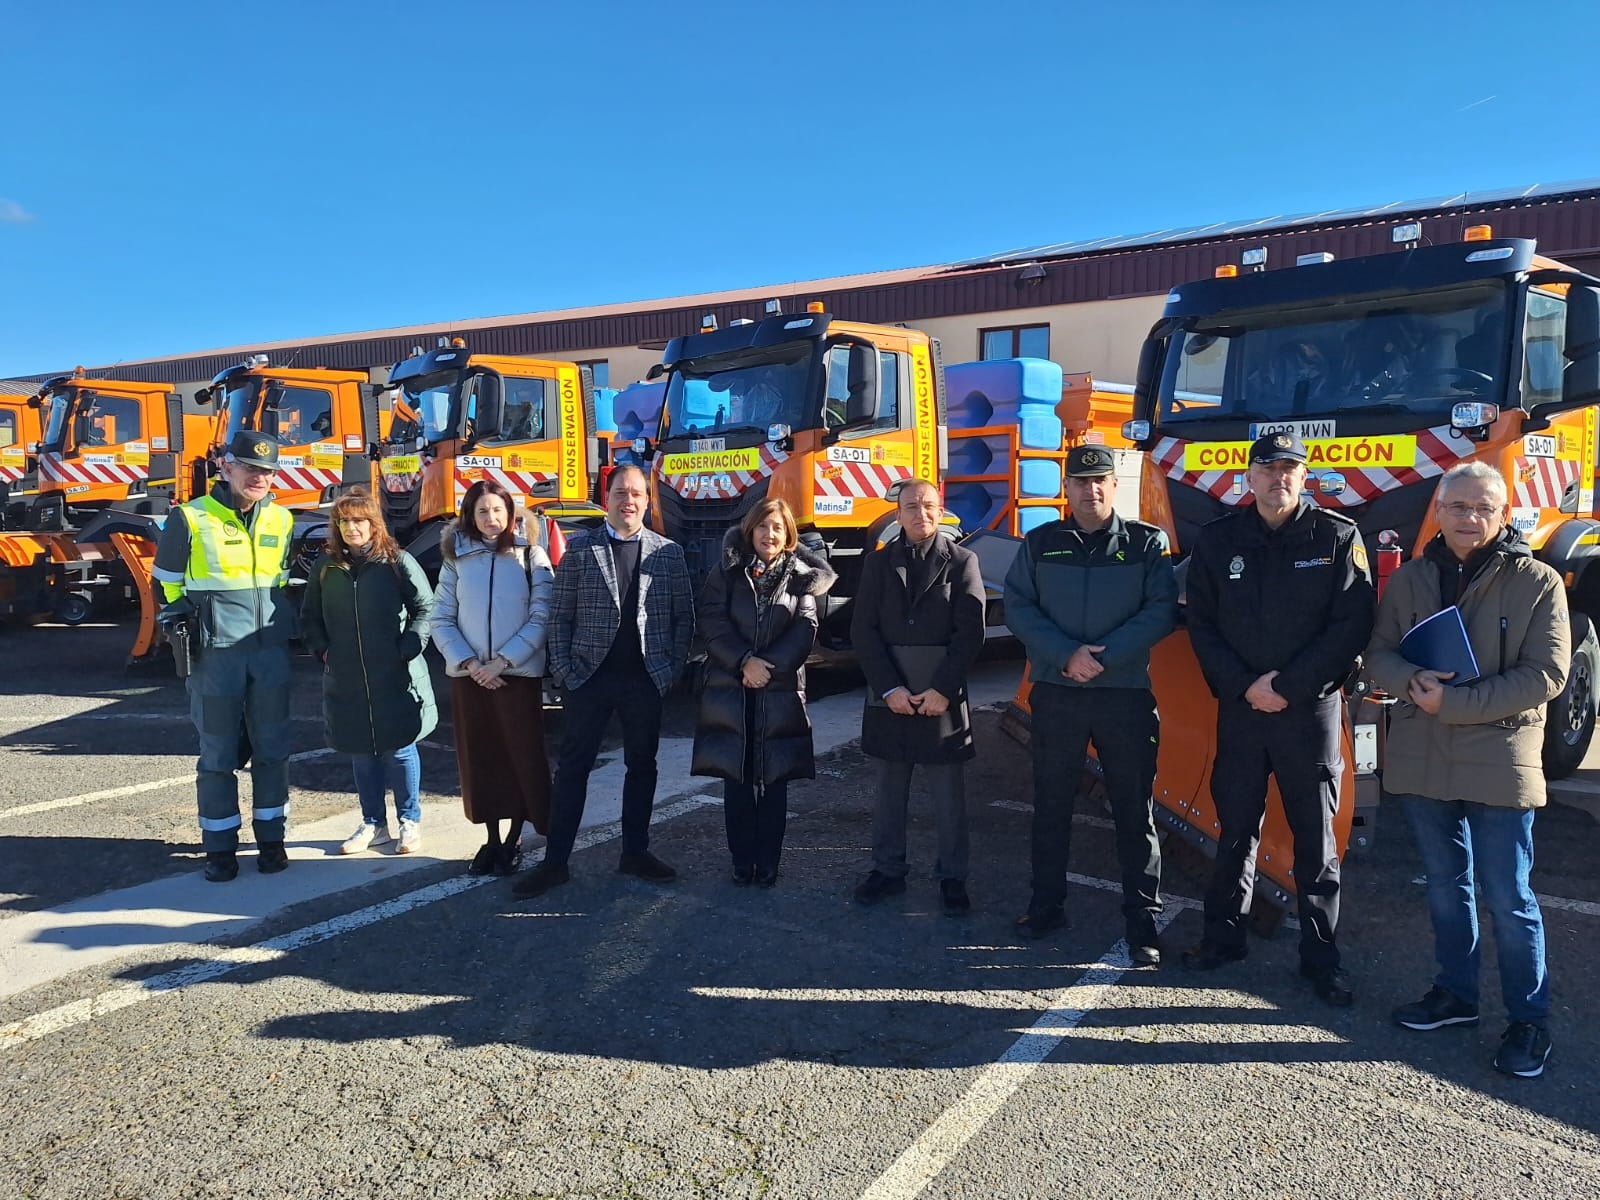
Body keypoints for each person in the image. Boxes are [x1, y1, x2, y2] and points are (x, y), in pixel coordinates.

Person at [1365, 461, 1569, 1078]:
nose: (1469, 519)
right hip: (1425, 756)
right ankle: (1456, 996)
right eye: (1458, 506)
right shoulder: (1412, 581)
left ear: (1503, 515)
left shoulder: (1538, 581)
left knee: (1509, 897)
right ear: (1440, 510)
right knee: (1447, 891)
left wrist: (1451, 703)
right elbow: (1377, 654)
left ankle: (1529, 1021)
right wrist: (1409, 678)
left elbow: (1546, 675)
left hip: (1498, 760)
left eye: (1483, 508)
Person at [1182, 431, 1375, 1005]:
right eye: (1268, 468)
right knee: (1235, 829)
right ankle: (1224, 938)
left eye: (1290, 468)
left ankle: (1322, 960)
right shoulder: (1219, 540)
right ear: (1249, 477)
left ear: (1304, 475)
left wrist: (1287, 687)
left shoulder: (1337, 537)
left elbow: (1351, 625)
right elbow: (1203, 626)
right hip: (1242, 711)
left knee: (1316, 842)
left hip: (1307, 713)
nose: (1279, 478)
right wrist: (1246, 686)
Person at [1004, 446, 1178, 956]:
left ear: (1113, 485)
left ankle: (1143, 919)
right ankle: (1046, 907)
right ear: (1068, 487)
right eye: (1080, 481)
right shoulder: (1039, 544)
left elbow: (1160, 610)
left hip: (1123, 696)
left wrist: (1102, 658)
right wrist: (1065, 656)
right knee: (1051, 805)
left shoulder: (1147, 543)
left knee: (1133, 809)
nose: (1091, 489)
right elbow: (1019, 607)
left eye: (1100, 480)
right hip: (1058, 692)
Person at [512, 464, 696, 898]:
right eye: (619, 493)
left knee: (642, 769)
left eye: (635, 494)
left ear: (646, 502)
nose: (628, 501)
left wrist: (669, 671)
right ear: (607, 499)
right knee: (573, 770)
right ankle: (556, 862)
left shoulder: (667, 553)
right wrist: (567, 672)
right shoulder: (581, 550)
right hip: (588, 680)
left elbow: (682, 619)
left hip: (645, 682)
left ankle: (635, 852)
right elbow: (560, 616)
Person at [151, 431, 297, 882]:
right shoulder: (190, 517)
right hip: (216, 655)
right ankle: (220, 848)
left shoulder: (283, 519)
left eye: (267, 471)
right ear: (226, 467)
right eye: (250, 468)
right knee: (217, 753)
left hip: (268, 651)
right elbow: (165, 584)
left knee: (273, 750)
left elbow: (281, 582)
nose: (259, 477)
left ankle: (272, 840)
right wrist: (186, 626)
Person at [851, 479, 987, 916]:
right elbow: (863, 631)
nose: (920, 514)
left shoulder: (963, 561)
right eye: (911, 506)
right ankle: (887, 870)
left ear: (940, 508)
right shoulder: (877, 564)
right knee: (889, 791)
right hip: (890, 696)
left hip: (939, 699)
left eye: (928, 505)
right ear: (897, 513)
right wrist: (888, 688)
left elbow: (971, 633)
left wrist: (943, 690)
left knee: (948, 796)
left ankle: (953, 877)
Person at [692, 498, 835, 886]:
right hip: (730, 688)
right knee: (736, 779)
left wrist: (766, 668)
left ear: (788, 534)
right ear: (750, 530)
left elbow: (806, 627)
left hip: (779, 689)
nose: (769, 535)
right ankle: (742, 860)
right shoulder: (727, 570)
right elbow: (711, 619)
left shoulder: (801, 575)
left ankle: (769, 861)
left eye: (777, 528)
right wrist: (743, 662)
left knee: (774, 780)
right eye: (762, 527)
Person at [299, 488, 437, 857]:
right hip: (347, 675)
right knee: (361, 749)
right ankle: (373, 823)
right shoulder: (325, 568)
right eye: (343, 521)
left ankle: (410, 821)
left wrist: (409, 647)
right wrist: (322, 649)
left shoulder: (397, 562)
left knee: (400, 747)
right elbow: (310, 615)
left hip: (394, 671)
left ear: (373, 524)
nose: (351, 528)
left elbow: (426, 608)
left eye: (358, 520)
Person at [431, 479, 555, 876]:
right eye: (482, 511)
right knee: (480, 759)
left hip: (515, 677)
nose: (491, 519)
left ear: (511, 514)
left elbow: (542, 616)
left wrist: (501, 662)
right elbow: (441, 617)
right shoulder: (456, 559)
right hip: (471, 679)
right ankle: (491, 839)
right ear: (470, 515)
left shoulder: (531, 555)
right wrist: (470, 664)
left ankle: (516, 837)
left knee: (520, 756)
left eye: (498, 510)